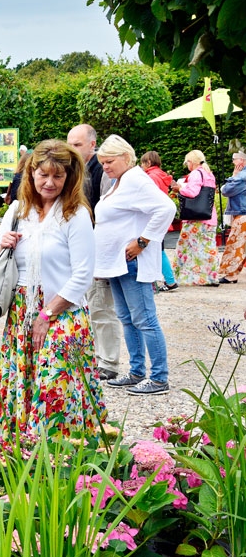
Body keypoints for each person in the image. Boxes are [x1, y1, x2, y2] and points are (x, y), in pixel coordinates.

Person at [0, 140, 104, 439]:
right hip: (22, 309)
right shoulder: (18, 209)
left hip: (62, 310)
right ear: (32, 173)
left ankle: (61, 455)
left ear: (69, 177)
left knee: (56, 386)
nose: (50, 183)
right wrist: (0, 245)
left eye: (58, 176)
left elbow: (83, 275)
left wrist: (47, 313)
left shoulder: (74, 214)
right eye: (43, 175)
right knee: (22, 381)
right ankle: (19, 452)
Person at [96, 135, 176, 395]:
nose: (105, 166)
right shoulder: (120, 181)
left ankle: (159, 377)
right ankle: (137, 372)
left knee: (144, 319)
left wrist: (143, 241)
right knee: (128, 319)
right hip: (117, 263)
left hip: (131, 262)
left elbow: (166, 208)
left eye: (109, 161)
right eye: (103, 162)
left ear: (126, 158)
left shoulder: (135, 179)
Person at [67, 123, 123, 382]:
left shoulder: (103, 170)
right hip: (77, 249)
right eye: (69, 143)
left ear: (92, 144)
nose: (71, 149)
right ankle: (93, 357)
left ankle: (108, 362)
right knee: (81, 305)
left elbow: (106, 215)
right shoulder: (73, 169)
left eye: (77, 144)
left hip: (96, 250)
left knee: (101, 306)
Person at [171, 150, 220, 286]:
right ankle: (211, 277)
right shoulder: (209, 174)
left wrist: (179, 188)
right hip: (209, 216)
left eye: (187, 163)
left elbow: (192, 193)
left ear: (191, 162)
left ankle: (185, 277)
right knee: (207, 247)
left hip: (195, 219)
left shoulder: (195, 174)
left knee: (186, 247)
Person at [140, 151, 179, 291]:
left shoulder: (150, 177)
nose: (141, 166)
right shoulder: (161, 175)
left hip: (152, 217)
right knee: (159, 249)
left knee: (157, 250)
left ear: (148, 163)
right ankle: (169, 280)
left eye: (142, 163)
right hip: (162, 217)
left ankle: (170, 281)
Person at [219, 152, 246, 284]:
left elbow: (226, 190)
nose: (232, 162)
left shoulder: (242, 176)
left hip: (242, 215)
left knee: (236, 245)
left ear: (241, 161)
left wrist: (234, 176)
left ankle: (231, 275)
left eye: (234, 160)